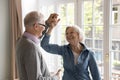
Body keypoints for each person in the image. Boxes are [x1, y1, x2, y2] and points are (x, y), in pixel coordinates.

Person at [41, 16, 101, 80]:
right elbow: (45, 45)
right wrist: (51, 28)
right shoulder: (64, 50)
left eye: (71, 32)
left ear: (78, 35)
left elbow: (96, 75)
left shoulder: (89, 53)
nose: (68, 35)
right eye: (66, 33)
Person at [16, 11, 61, 80]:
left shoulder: (21, 40)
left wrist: (47, 24)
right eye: (43, 25)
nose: (44, 28)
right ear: (36, 26)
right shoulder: (31, 47)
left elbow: (35, 37)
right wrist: (55, 77)